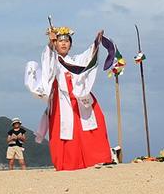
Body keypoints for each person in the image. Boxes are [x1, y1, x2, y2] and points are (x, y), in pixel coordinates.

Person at [24, 26, 114, 171]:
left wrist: (96, 42)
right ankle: (69, 163)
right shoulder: (53, 61)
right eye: (60, 41)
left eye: (67, 41)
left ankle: (97, 158)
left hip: (80, 98)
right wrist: (49, 44)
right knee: (65, 132)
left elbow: (88, 56)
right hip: (62, 101)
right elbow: (47, 63)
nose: (64, 43)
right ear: (55, 44)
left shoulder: (76, 59)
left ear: (71, 45)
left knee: (93, 125)